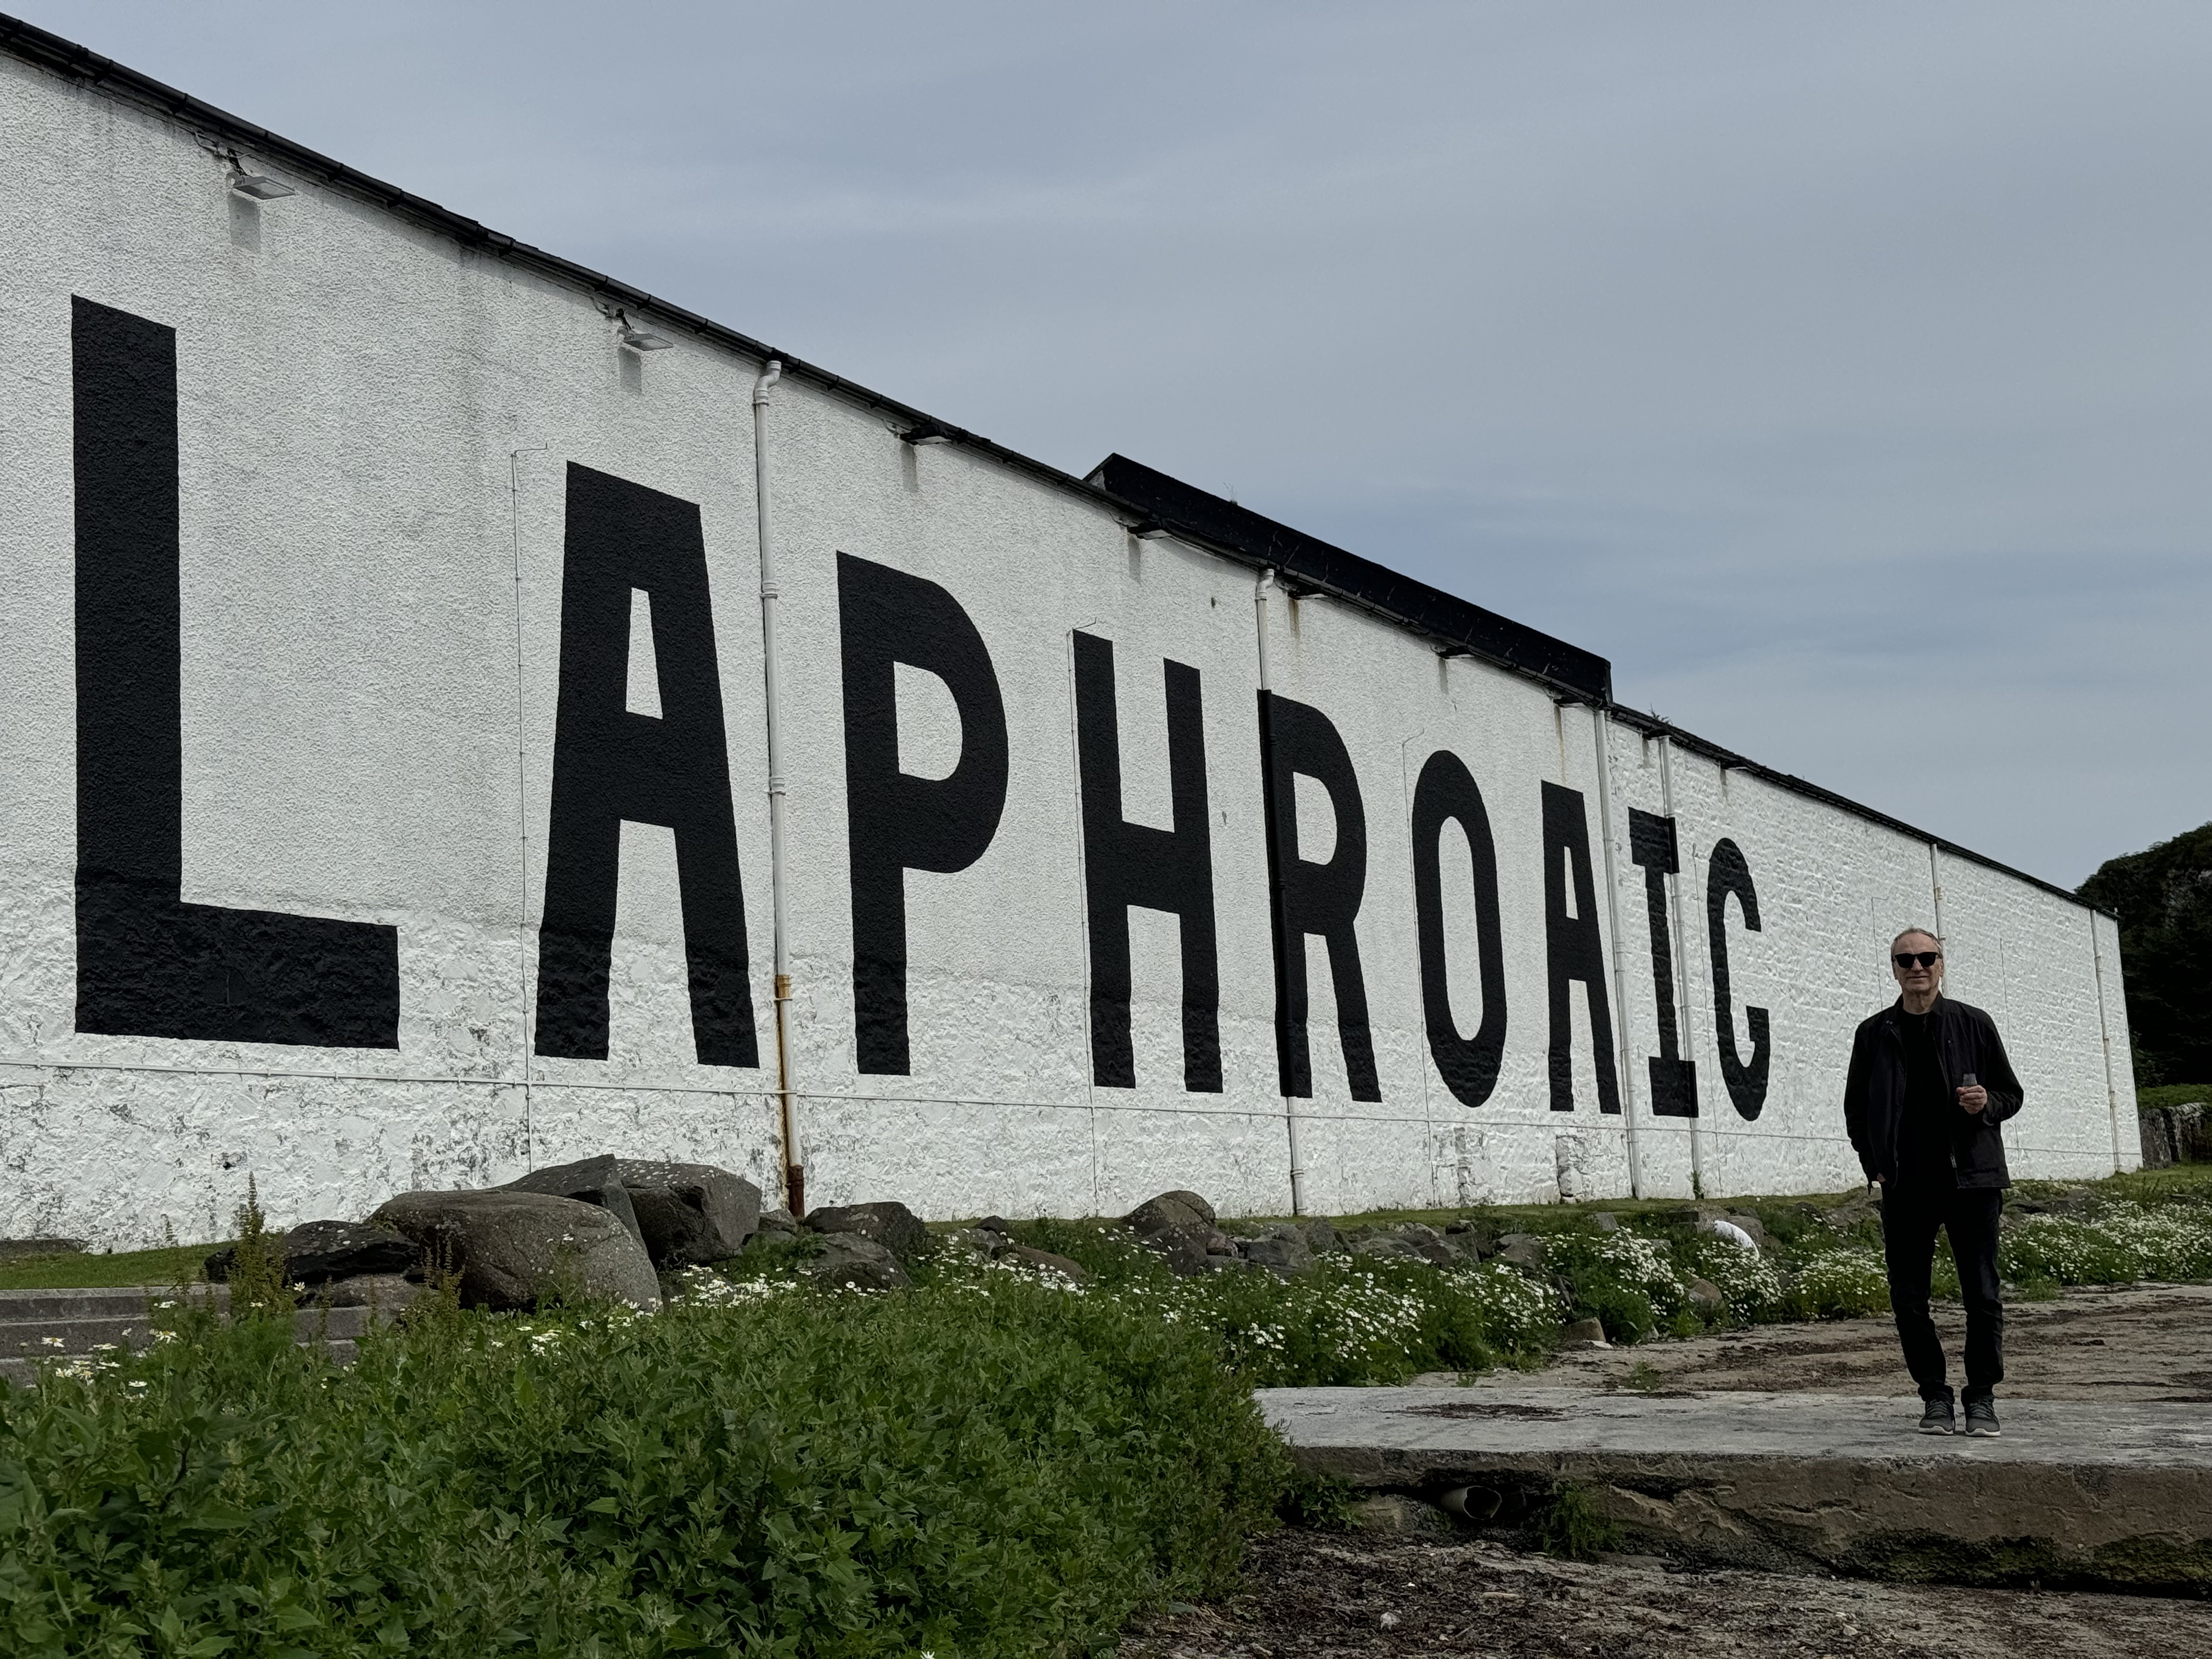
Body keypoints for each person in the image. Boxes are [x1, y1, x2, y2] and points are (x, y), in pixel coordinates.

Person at [1842, 928, 2024, 1436]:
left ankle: (1981, 1397)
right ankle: (1935, 1398)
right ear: (1894, 969)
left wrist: (1986, 1104)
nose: (1917, 967)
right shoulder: (1874, 1033)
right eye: (1906, 960)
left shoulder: (1974, 1023)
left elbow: (2011, 1094)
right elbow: (1856, 1108)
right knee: (1908, 1299)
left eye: (1926, 957)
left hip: (1973, 1181)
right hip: (1906, 1186)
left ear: (1941, 964)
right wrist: (1874, 1163)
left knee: (1982, 1295)